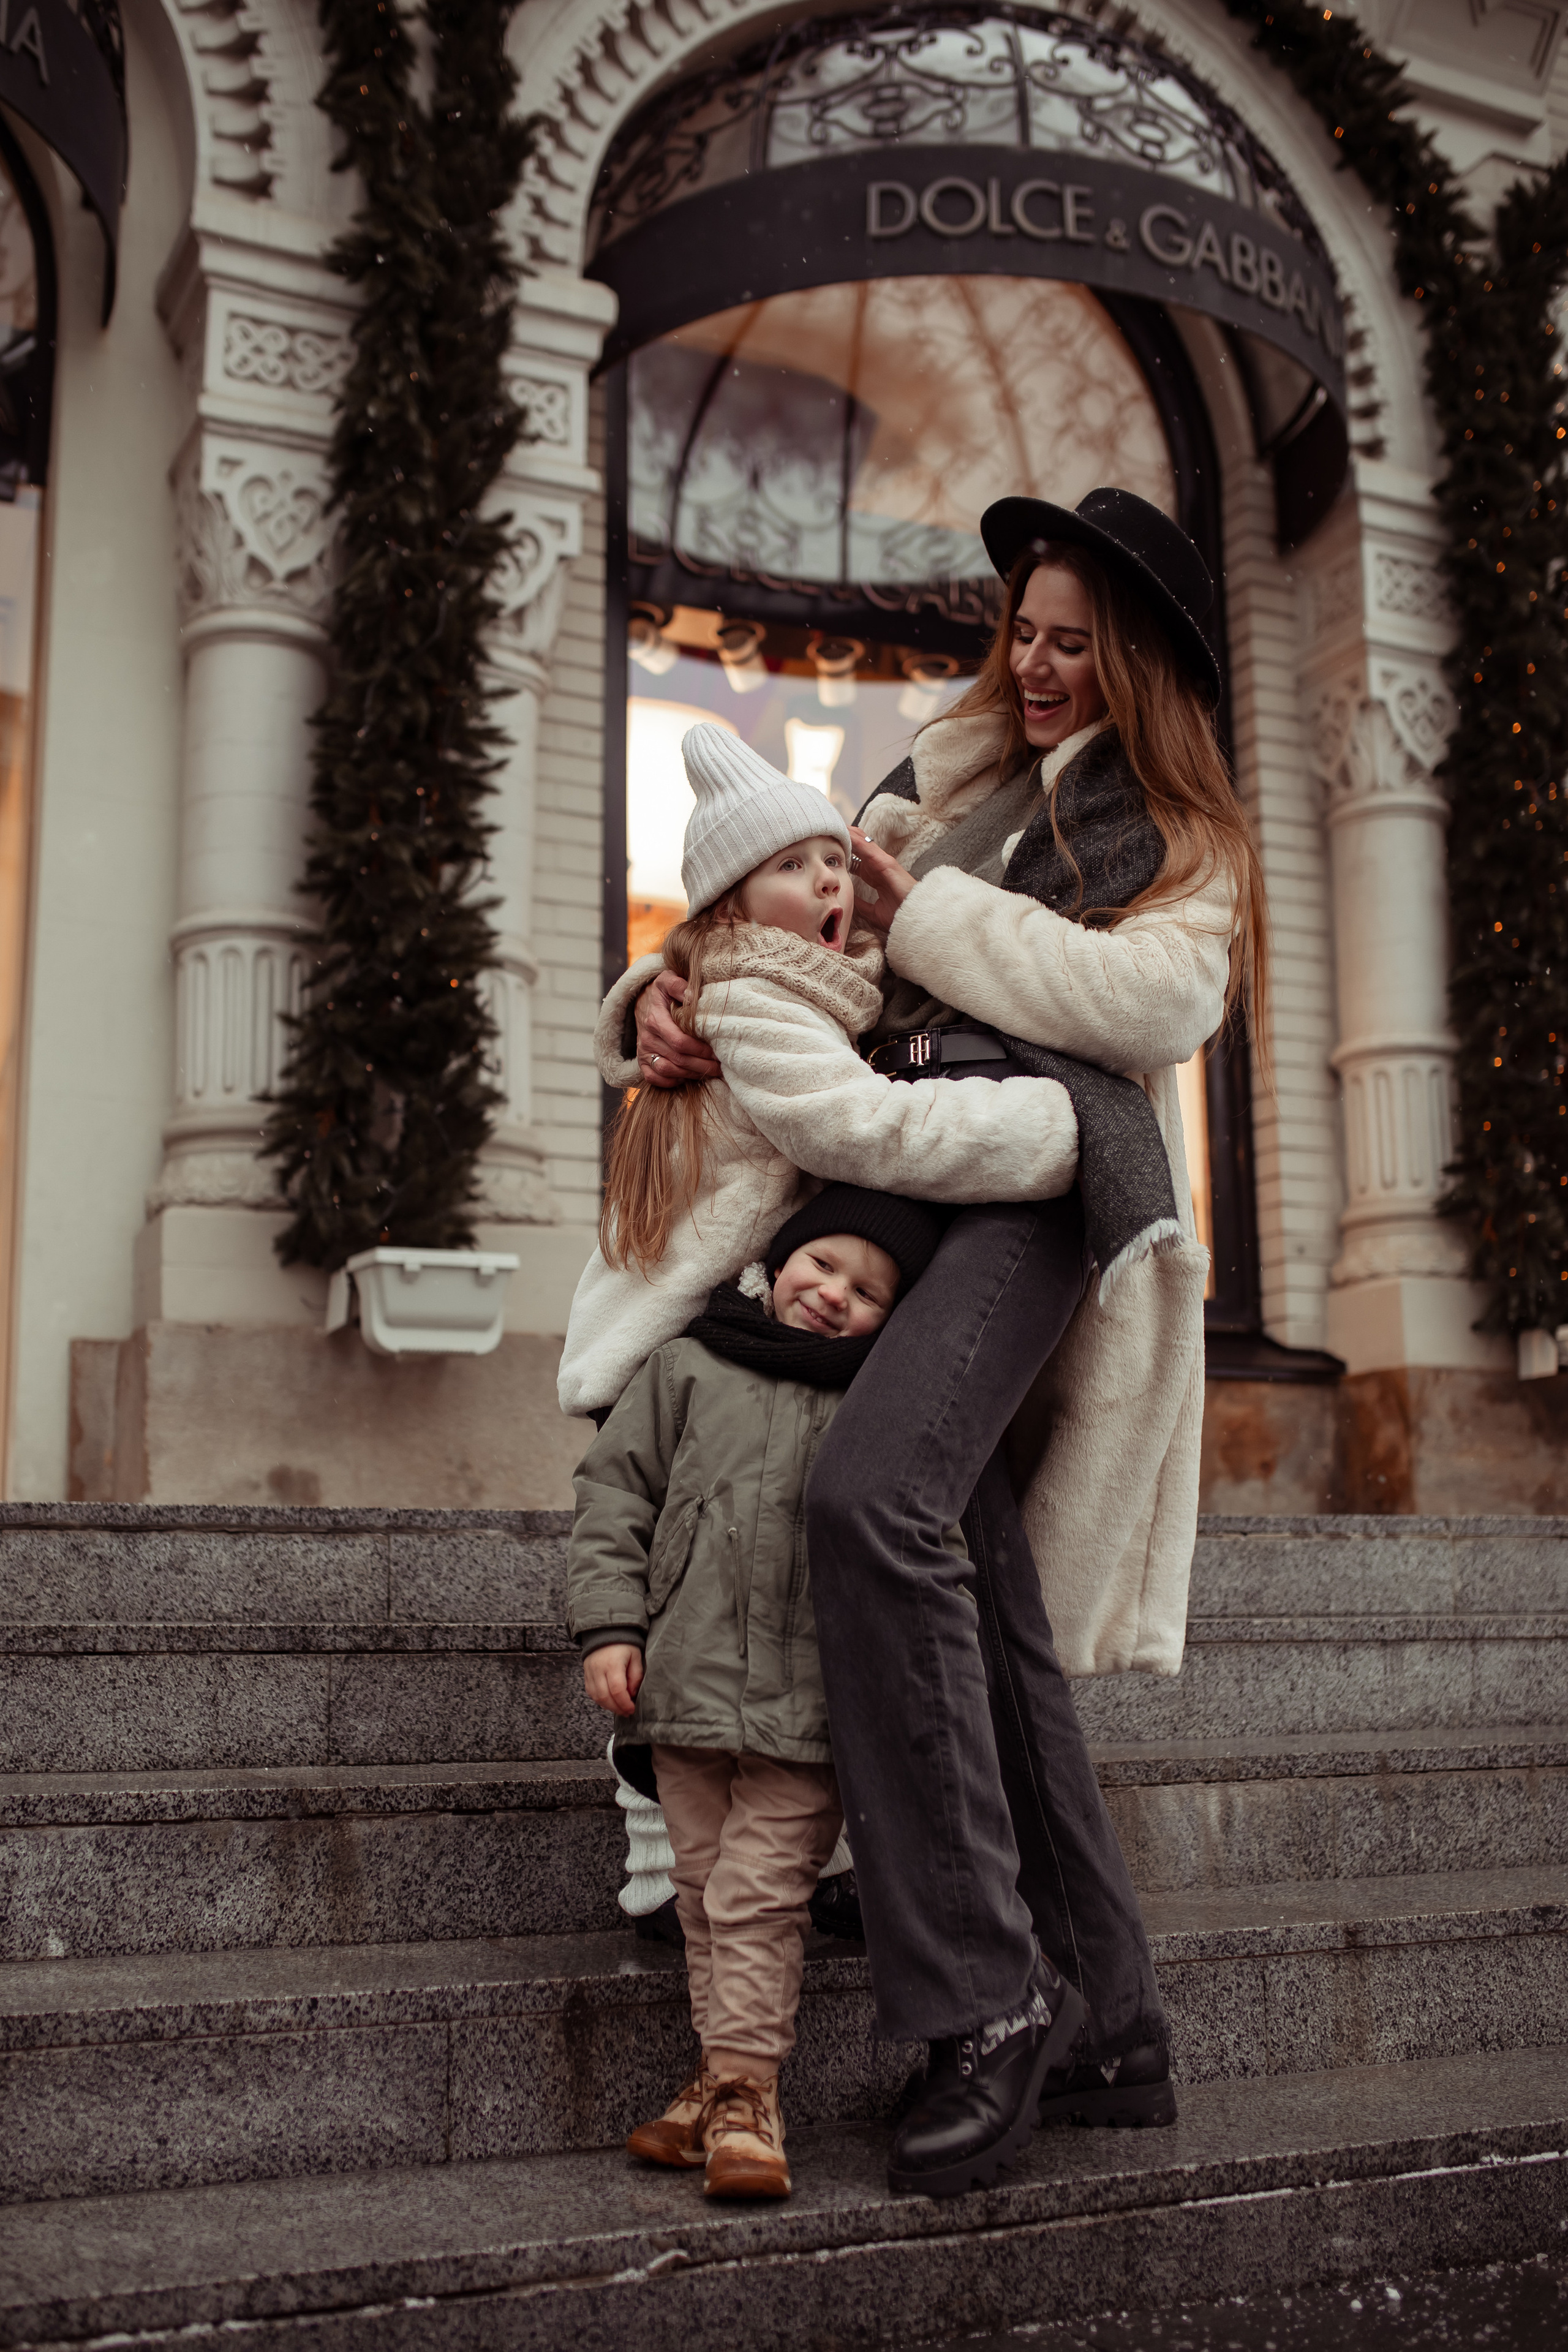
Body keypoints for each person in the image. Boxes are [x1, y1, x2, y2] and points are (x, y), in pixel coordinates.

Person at [628, 488, 1267, 2198]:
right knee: (965, 1561)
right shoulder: (942, 768)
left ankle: (982, 2001)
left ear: (1132, 658)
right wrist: (676, 1004)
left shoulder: (1186, 834)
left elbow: (1151, 1012)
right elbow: (807, 911)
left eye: (1073, 639)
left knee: (873, 1501)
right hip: (887, 1175)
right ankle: (1110, 2020)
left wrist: (928, 924)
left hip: (1041, 1182)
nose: (1038, 663)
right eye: (1025, 630)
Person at [568, 1183, 1063, 2201]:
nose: (835, 1295)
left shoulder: (882, 1409)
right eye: (822, 1264)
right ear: (776, 1261)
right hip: (688, 1696)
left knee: (756, 1896)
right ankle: (717, 2085)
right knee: (704, 1897)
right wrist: (612, 1625)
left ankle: (753, 2096)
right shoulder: (690, 1365)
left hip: (806, 1710)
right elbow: (617, 1496)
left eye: (871, 1292)